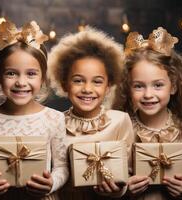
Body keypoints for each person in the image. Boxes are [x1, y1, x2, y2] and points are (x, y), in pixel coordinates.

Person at [0, 20, 68, 200]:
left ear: (42, 78)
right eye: (11, 73)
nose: (21, 82)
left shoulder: (54, 119)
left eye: (31, 73)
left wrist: (52, 182)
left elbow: (62, 167)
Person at [113, 27, 182, 199]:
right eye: (139, 86)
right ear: (128, 88)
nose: (148, 94)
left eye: (158, 85)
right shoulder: (123, 128)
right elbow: (112, 181)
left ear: (173, 86)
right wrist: (125, 188)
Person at [48, 27, 135, 199]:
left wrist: (118, 190)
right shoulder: (54, 122)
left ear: (108, 86)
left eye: (97, 81)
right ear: (64, 84)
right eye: (78, 80)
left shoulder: (120, 121)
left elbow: (130, 174)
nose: (87, 89)